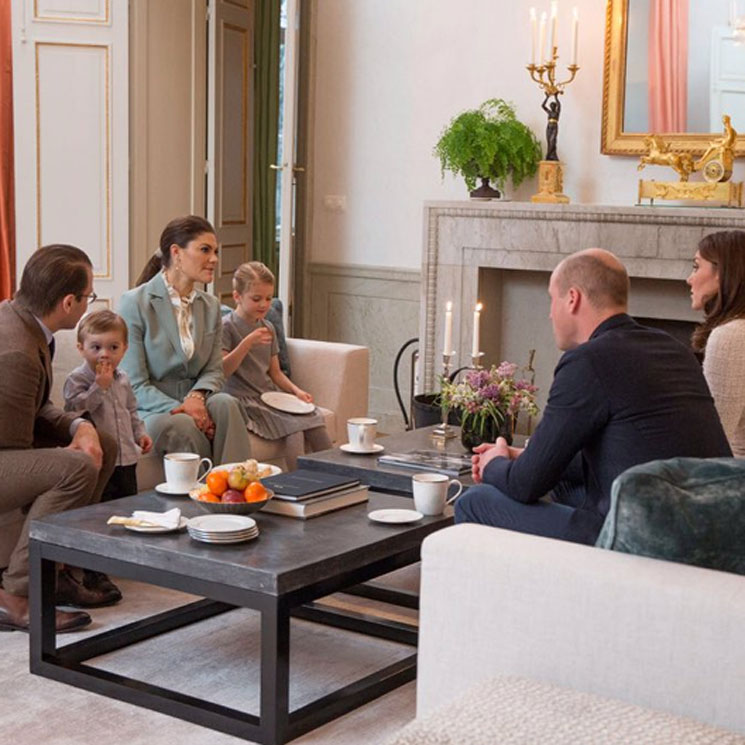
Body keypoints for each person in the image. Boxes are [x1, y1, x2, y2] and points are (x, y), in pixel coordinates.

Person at [455, 248, 732, 545]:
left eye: (552, 299)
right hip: (709, 525)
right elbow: (629, 448)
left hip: (640, 538)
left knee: (475, 500)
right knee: (560, 480)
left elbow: (524, 485)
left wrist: (495, 463)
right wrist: (522, 455)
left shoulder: (587, 361)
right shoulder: (672, 348)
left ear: (572, 298)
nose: (550, 313)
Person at [0, 245, 120, 633]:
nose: (88, 303)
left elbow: (34, 409)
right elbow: (13, 444)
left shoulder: (22, 321)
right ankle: (16, 593)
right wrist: (65, 454)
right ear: (69, 302)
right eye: (88, 297)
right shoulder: (17, 349)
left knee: (104, 442)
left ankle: (59, 568)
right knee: (76, 467)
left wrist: (77, 427)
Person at [118, 216, 252, 465]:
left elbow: (213, 369)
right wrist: (186, 408)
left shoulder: (210, 306)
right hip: (152, 408)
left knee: (227, 404)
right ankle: (206, 497)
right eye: (204, 250)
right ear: (176, 253)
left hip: (195, 399)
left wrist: (197, 397)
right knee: (183, 425)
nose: (214, 259)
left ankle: (237, 492)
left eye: (215, 251)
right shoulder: (134, 303)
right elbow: (134, 384)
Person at [222, 262, 332, 469]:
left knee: (313, 418)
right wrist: (247, 343)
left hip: (269, 396)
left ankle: (339, 476)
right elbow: (223, 370)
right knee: (295, 429)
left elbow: (275, 372)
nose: (264, 304)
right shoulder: (227, 327)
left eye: (268, 298)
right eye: (256, 299)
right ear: (237, 297)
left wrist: (296, 391)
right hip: (243, 400)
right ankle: (298, 482)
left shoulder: (268, 327)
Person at [64, 310, 154, 499]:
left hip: (127, 456)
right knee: (100, 504)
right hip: (99, 458)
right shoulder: (77, 379)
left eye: (113, 347)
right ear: (81, 348)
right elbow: (75, 411)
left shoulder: (123, 379)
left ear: (124, 348)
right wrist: (99, 387)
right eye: (96, 348)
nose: (105, 354)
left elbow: (131, 410)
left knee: (128, 502)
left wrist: (140, 434)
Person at [687, 230, 745, 456]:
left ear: (721, 271)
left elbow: (714, 442)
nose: (689, 279)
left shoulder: (731, 337)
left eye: (696, 266)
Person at [541, 93, 561, 161]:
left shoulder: (557, 112)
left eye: (553, 106)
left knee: (553, 141)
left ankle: (548, 155)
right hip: (549, 126)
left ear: (555, 106)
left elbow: (559, 105)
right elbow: (543, 106)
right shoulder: (549, 112)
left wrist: (556, 97)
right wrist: (547, 97)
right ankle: (551, 156)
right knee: (549, 141)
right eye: (551, 106)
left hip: (554, 126)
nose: (552, 107)